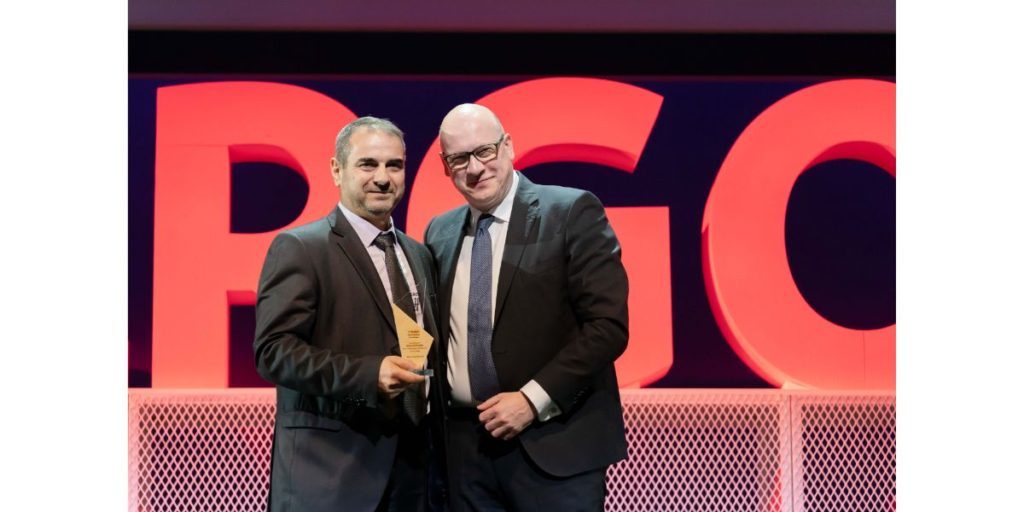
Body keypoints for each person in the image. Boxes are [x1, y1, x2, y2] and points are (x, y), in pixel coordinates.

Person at [424, 104, 629, 511]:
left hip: (555, 444)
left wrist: (532, 400)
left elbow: (607, 327)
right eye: (460, 159)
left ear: (508, 146)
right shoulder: (439, 231)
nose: (475, 168)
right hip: (466, 455)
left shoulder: (571, 212)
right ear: (445, 167)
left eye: (484, 151)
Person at [254, 117, 441, 512]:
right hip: (331, 476)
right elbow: (273, 351)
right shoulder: (301, 247)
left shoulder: (418, 254)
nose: (383, 178)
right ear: (337, 170)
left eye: (394, 165)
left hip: (414, 473)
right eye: (367, 164)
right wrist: (368, 376)